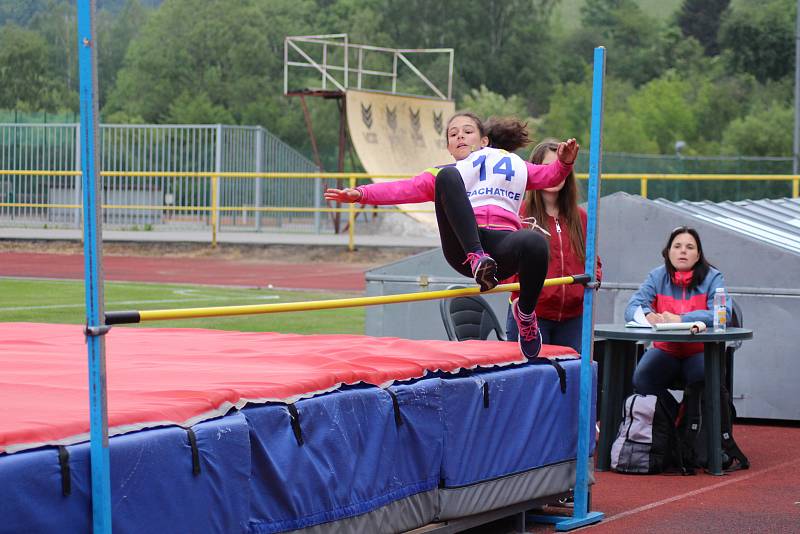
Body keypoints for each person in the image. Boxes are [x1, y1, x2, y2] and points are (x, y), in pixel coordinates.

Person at [324, 112, 580, 358]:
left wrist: (565, 162)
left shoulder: (512, 166)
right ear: (448, 146)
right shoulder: (446, 173)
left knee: (535, 241)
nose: (459, 137)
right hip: (464, 250)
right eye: (453, 134)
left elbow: (551, 176)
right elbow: (403, 189)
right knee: (448, 176)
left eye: (467, 131)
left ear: (484, 141)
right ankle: (478, 257)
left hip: (503, 247)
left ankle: (525, 316)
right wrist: (362, 194)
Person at [504, 139, 602, 353]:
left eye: (559, 165)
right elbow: (505, 262)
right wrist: (519, 298)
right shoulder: (519, 216)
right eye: (548, 167)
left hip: (574, 320)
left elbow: (592, 260)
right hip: (531, 316)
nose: (555, 172)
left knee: (573, 380)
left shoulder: (581, 218)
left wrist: (594, 278)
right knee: (532, 380)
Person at [625, 226, 731, 396]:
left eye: (690, 247)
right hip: (665, 350)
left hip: (700, 351)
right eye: (677, 246)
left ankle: (691, 421)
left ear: (697, 255)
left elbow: (723, 315)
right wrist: (647, 315)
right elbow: (631, 307)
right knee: (642, 379)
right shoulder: (656, 276)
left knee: (701, 380)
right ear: (668, 253)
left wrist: (681, 319)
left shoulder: (713, 278)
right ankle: (670, 419)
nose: (683, 251)